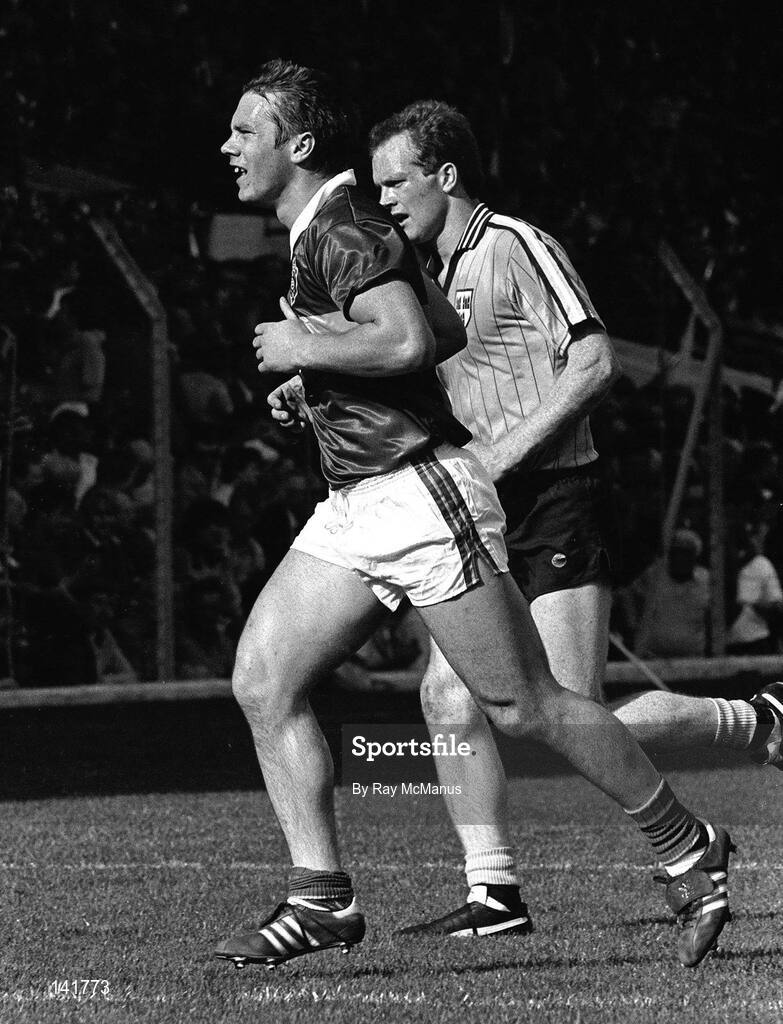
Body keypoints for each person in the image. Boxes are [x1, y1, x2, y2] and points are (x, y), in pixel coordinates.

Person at [215, 59, 732, 973]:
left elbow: (411, 339)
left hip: (417, 494)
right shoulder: (329, 229)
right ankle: (322, 900)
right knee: (262, 678)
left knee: (524, 704)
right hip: (360, 501)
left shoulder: (337, 227)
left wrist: (304, 341)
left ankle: (687, 848)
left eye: (244, 130)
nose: (228, 146)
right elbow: (443, 333)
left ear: (297, 145)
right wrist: (324, 373)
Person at [366, 100, 782, 946]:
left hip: (554, 496)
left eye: (394, 182)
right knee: (446, 696)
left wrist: (501, 458)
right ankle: (494, 893)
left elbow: (592, 364)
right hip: (478, 509)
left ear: (445, 176)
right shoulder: (422, 279)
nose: (383, 203)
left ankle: (759, 724)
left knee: (570, 711)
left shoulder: (515, 243)